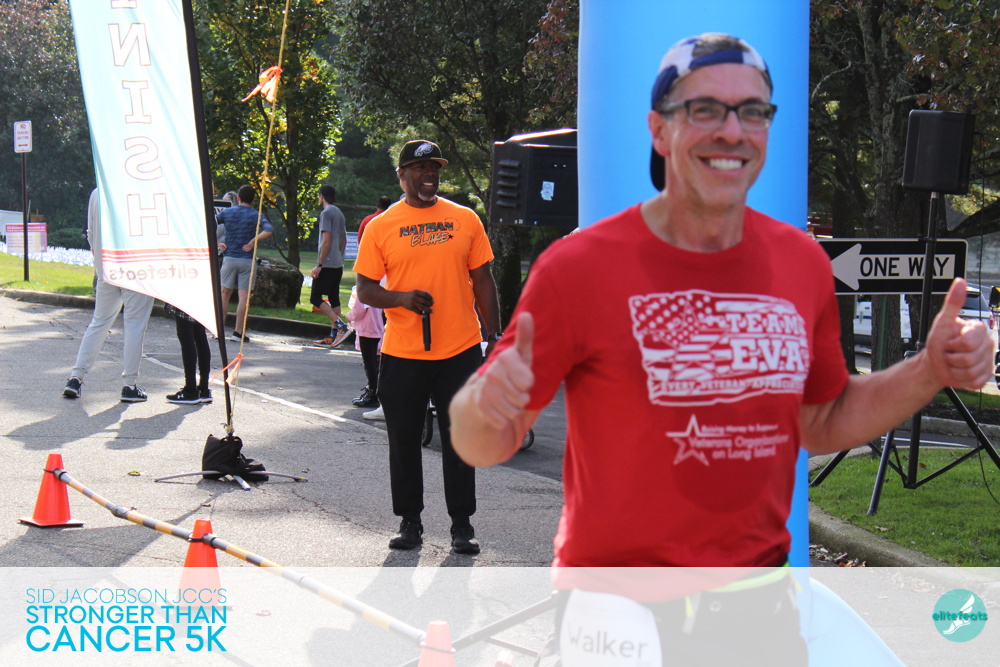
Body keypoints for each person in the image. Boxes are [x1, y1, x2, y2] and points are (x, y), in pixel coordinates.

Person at [449, 33, 994, 663]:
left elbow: (821, 419)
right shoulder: (580, 268)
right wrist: (485, 406)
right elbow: (479, 442)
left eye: (752, 111)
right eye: (705, 109)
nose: (732, 131)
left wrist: (929, 370)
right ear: (659, 128)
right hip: (619, 614)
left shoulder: (800, 263)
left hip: (758, 609)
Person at [354, 140, 502, 555]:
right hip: (404, 353)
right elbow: (365, 289)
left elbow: (483, 279)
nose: (428, 174)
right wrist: (401, 299)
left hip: (460, 349)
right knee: (404, 441)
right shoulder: (382, 226)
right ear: (402, 175)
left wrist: (495, 334)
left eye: (434, 167)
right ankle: (410, 522)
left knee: (460, 440)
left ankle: (462, 525)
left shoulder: (464, 218)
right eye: (419, 168)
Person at [63, 188, 155, 402]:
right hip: (138, 267)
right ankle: (129, 384)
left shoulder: (98, 192)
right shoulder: (143, 191)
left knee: (100, 322)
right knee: (135, 325)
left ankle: (76, 376)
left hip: (107, 266)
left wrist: (99, 264)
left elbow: (91, 233)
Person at [216, 184, 273, 342]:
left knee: (224, 293)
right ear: (253, 200)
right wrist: (254, 240)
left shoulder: (227, 212)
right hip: (247, 260)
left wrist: (218, 243)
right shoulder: (256, 215)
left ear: (239, 197)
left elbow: (210, 223)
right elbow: (269, 229)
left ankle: (219, 330)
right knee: (244, 296)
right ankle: (238, 332)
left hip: (229, 258)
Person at [310, 185, 351, 348]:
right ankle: (334, 335)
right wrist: (338, 256)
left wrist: (319, 264)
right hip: (337, 263)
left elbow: (326, 240)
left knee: (315, 297)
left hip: (326, 263)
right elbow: (344, 239)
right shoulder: (339, 213)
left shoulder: (326, 213)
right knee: (334, 298)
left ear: (321, 196)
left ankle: (340, 325)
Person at [164, 303, 212, 405]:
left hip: (185, 297)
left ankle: (190, 390)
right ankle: (204, 389)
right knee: (200, 335)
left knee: (186, 336)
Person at [345, 284, 384, 410]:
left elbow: (358, 311)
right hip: (378, 328)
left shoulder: (364, 291)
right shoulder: (380, 289)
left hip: (366, 329)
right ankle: (375, 390)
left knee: (369, 364)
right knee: (376, 362)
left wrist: (349, 316)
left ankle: (372, 392)